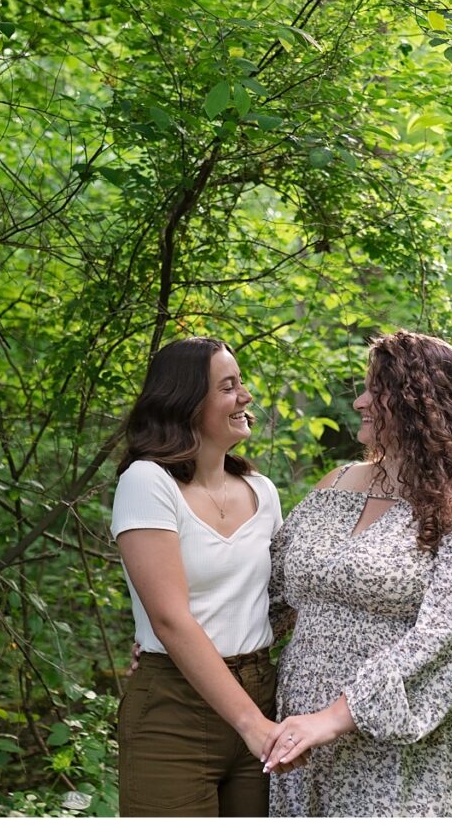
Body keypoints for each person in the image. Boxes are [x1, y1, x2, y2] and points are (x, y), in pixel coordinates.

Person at [262, 330, 452, 816]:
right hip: (305, 729)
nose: (361, 401)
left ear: (419, 402)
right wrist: (178, 639)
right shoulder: (338, 483)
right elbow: (271, 593)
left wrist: (336, 717)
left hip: (413, 737)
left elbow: (447, 637)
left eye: (376, 389)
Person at [109, 336, 283, 816]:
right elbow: (171, 620)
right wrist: (253, 726)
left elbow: (281, 601)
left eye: (241, 383)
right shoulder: (147, 482)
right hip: (174, 711)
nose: (245, 396)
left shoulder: (262, 491)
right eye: (229, 386)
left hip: (261, 689)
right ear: (186, 403)